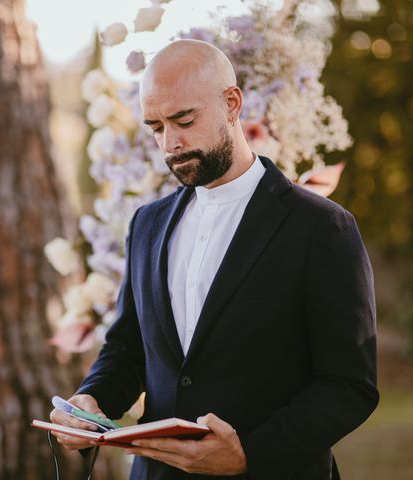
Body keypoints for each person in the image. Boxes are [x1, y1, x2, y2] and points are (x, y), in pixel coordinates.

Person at [50, 39, 378, 479]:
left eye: (184, 120)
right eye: (155, 127)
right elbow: (128, 348)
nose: (170, 143)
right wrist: (91, 401)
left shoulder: (322, 227)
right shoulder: (145, 225)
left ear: (231, 103)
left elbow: (349, 386)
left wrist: (249, 454)